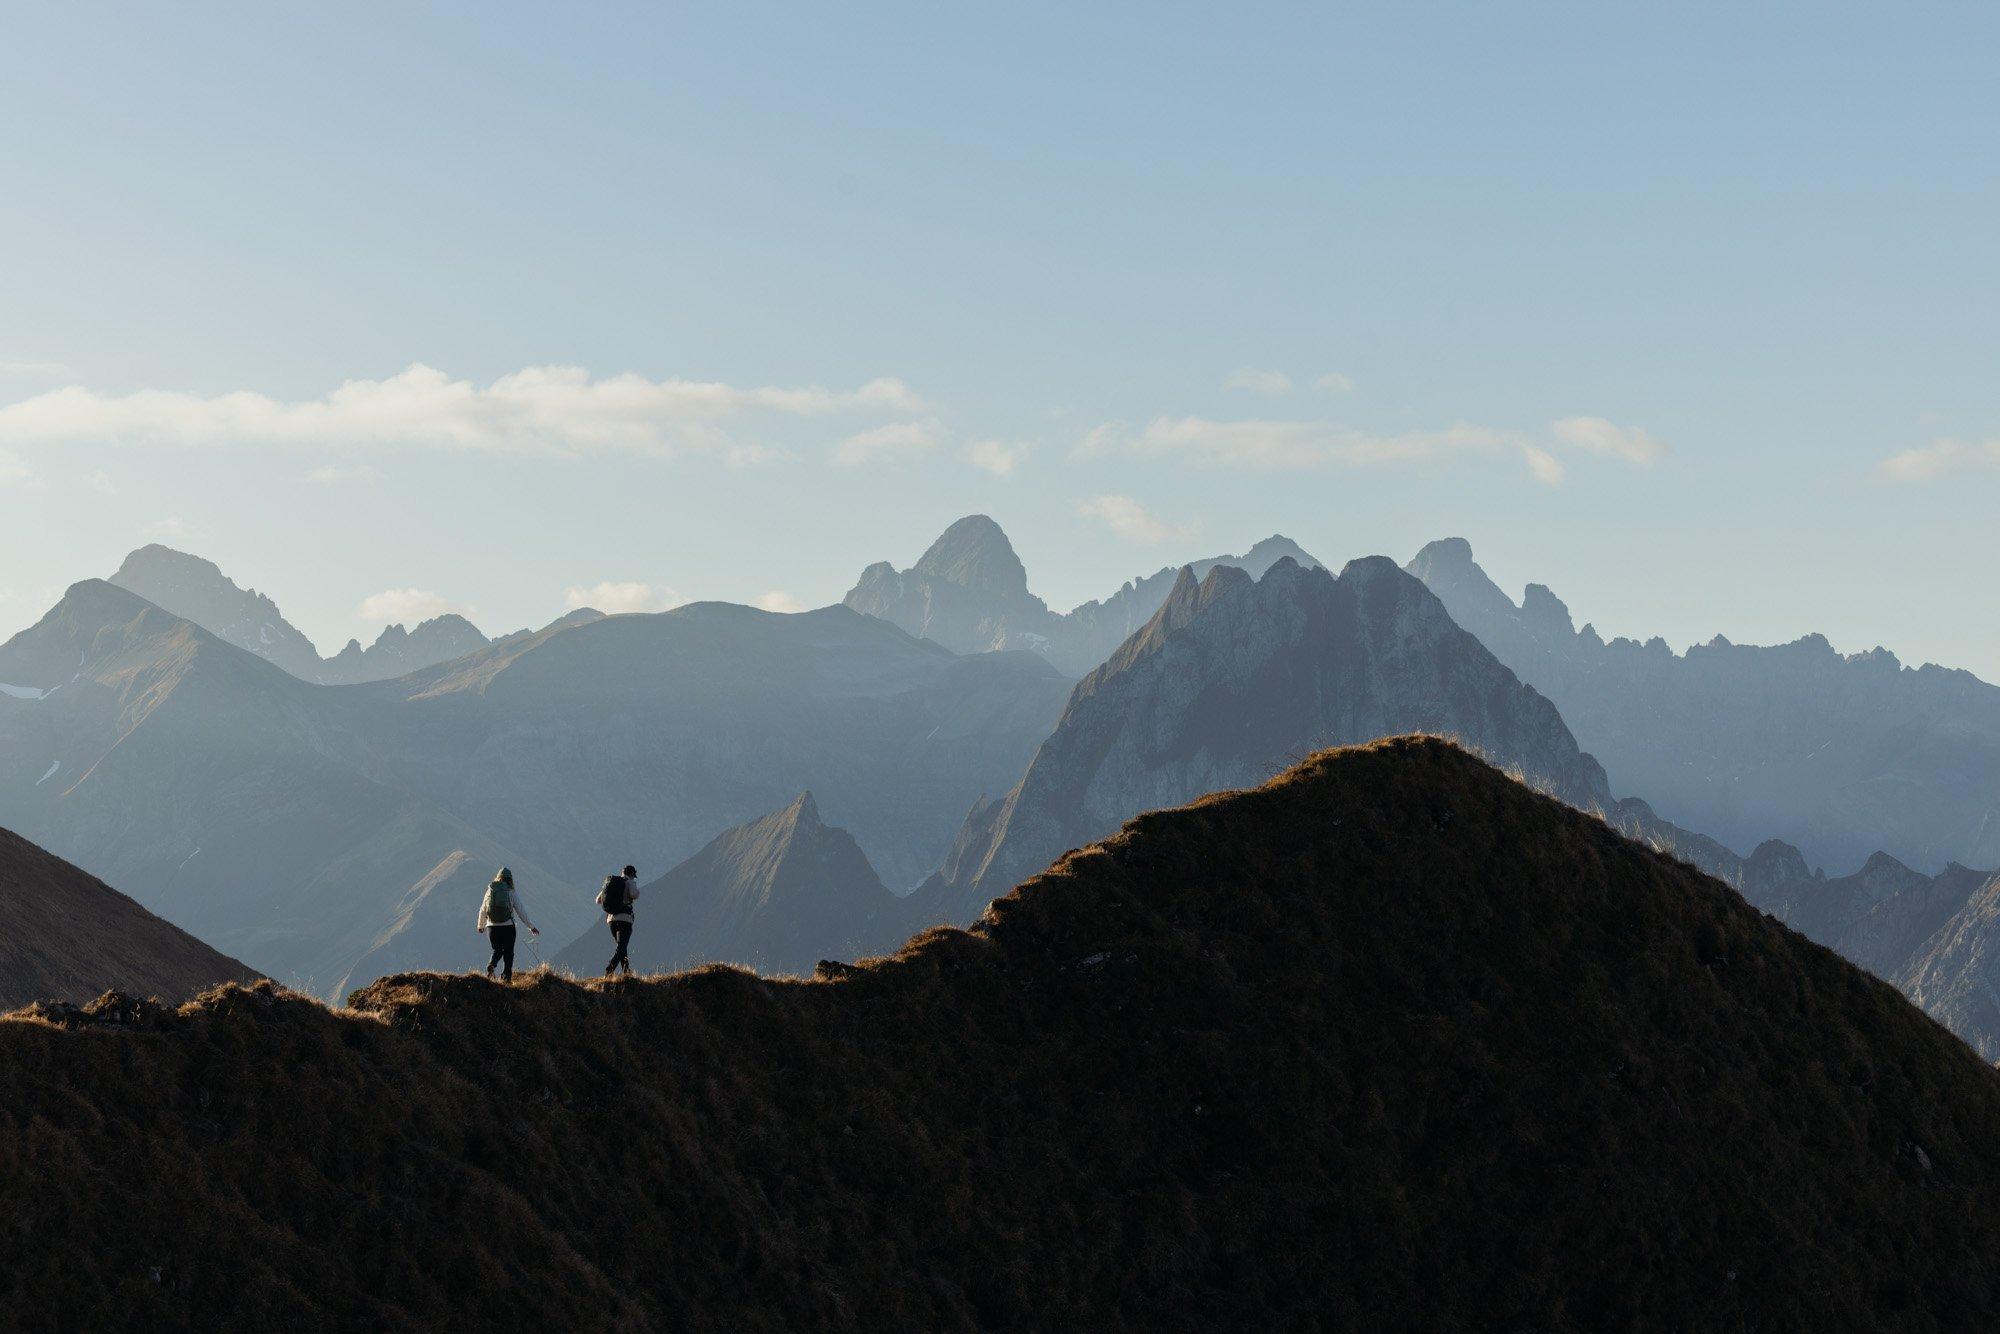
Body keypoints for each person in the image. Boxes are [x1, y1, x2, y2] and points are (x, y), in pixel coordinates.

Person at [476, 866, 538, 982]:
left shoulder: (490, 891)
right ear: (510, 880)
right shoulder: (511, 892)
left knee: (497, 950)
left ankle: (492, 964)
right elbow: (520, 911)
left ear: (498, 877)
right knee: (508, 952)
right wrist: (531, 927)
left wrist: (481, 925)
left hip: (491, 927)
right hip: (508, 927)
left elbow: (483, 909)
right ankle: (506, 978)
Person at [597, 864, 640, 976]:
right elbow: (634, 894)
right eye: (634, 875)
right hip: (624, 919)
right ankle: (609, 970)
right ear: (631, 874)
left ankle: (626, 972)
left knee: (621, 946)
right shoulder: (630, 882)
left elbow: (598, 900)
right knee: (621, 947)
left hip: (611, 920)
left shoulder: (613, 883)